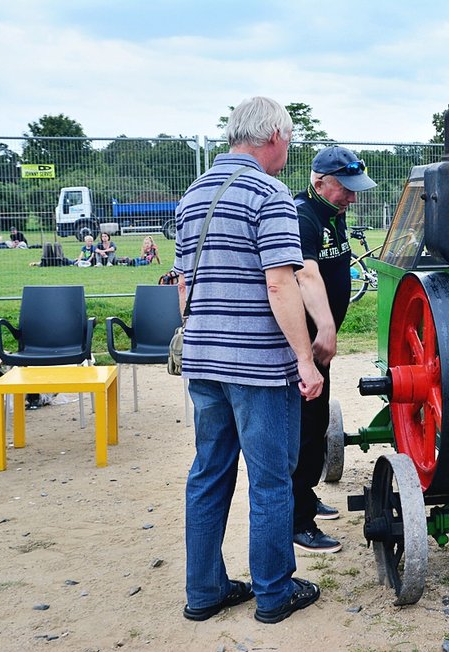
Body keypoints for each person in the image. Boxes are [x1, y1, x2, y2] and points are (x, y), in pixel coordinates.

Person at [177, 96, 324, 625]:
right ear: (273, 137)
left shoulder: (193, 194)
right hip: (259, 367)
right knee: (269, 481)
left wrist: (200, 340)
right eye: (289, 139)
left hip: (203, 361)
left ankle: (204, 590)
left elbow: (185, 287)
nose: (290, 148)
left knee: (208, 474)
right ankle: (273, 592)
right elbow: (280, 282)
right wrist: (304, 361)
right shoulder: (270, 193)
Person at [291, 145, 377, 554]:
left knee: (317, 420)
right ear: (320, 182)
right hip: (303, 346)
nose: (353, 198)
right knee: (304, 429)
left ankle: (305, 499)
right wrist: (324, 328)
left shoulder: (332, 213)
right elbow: (305, 273)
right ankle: (297, 521)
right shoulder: (303, 216)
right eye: (346, 189)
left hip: (320, 348)